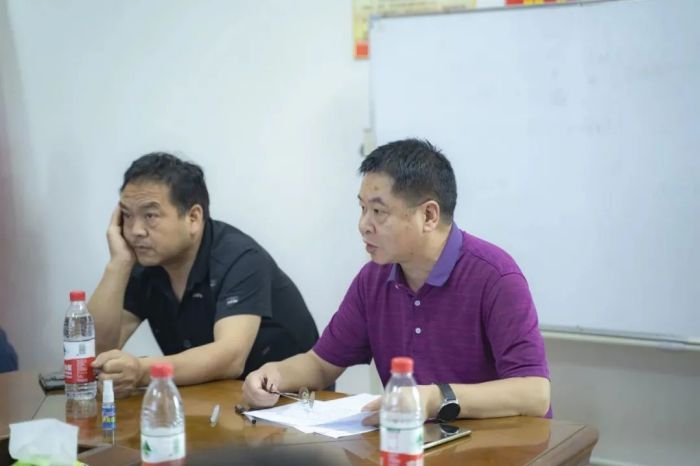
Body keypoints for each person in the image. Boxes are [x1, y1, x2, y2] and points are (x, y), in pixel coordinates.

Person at [243, 139, 550, 422]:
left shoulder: (495, 276)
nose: (363, 225)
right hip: (411, 444)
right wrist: (274, 374)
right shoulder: (373, 279)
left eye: (378, 211)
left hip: (494, 448)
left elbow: (535, 393)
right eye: (362, 208)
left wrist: (433, 398)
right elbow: (321, 365)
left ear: (428, 216)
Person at [90, 153, 318, 397]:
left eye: (150, 216)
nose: (135, 231)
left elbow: (230, 358)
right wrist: (118, 264)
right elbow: (93, 352)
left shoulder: (240, 258)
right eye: (127, 215)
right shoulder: (145, 263)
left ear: (193, 218)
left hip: (289, 400)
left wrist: (143, 370)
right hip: (214, 395)